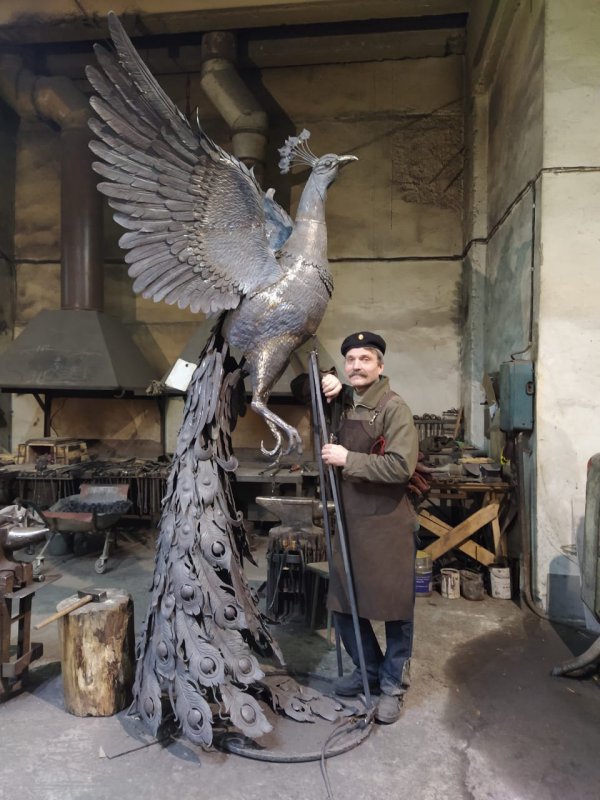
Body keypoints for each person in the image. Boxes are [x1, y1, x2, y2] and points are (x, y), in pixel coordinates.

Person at [320, 331, 418, 724]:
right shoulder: (344, 400)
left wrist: (348, 459)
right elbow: (299, 388)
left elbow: (400, 466)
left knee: (395, 608)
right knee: (344, 604)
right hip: (350, 520)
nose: (356, 366)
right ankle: (370, 670)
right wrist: (327, 378)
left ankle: (393, 685)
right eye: (350, 360)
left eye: (365, 359)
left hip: (387, 523)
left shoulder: (394, 408)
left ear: (380, 366)